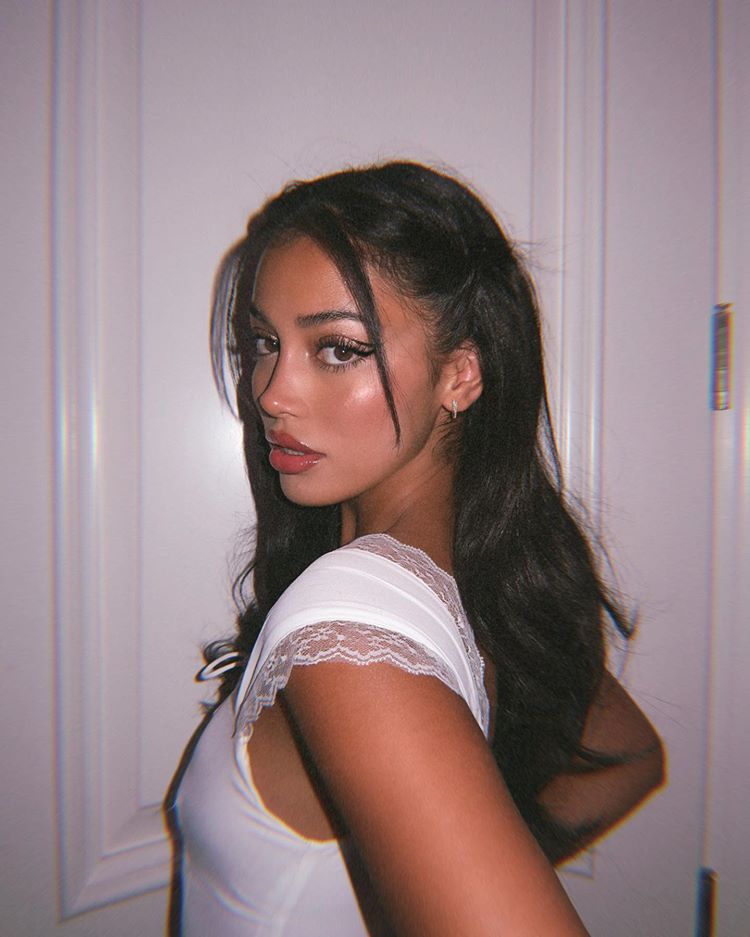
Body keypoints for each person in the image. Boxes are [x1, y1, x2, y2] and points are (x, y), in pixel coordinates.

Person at [171, 161, 664, 936]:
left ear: (460, 374)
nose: (271, 392)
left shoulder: (347, 624)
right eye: (265, 341)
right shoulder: (479, 580)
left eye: (338, 348)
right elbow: (631, 752)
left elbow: (626, 758)